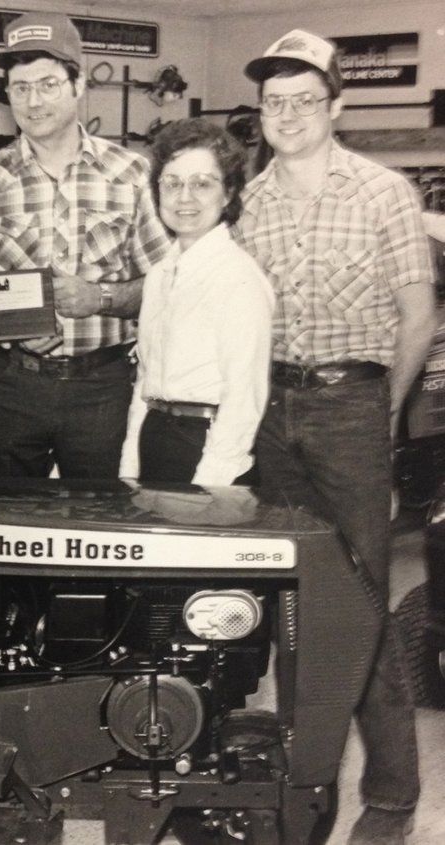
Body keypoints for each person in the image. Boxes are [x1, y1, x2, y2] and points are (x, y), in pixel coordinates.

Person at [234, 30, 436, 845]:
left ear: (336, 106)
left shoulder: (385, 192)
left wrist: (377, 418)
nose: (287, 115)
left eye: (303, 100)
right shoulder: (249, 198)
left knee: (358, 608)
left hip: (353, 402)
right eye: (273, 102)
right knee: (289, 607)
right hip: (270, 413)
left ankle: (390, 799)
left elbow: (419, 319)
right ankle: (305, 790)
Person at [0, 11, 169, 479]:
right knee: (3, 529)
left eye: (47, 84)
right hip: (8, 386)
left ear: (78, 85)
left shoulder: (132, 173)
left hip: (104, 388)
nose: (33, 101)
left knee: (99, 527)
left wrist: (99, 297)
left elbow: (168, 287)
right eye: (20, 88)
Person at [119, 119, 273, 486]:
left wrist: (211, 484)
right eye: (171, 183)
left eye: (202, 183)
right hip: (156, 438)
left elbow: (243, 396)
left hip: (206, 447)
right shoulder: (160, 275)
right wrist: (130, 465)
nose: (184, 197)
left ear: (229, 192)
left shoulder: (238, 278)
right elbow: (145, 381)